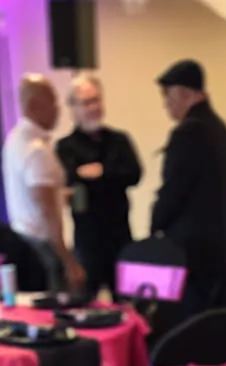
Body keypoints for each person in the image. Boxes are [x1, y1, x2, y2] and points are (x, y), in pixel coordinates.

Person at [150, 59, 226, 318]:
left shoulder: (188, 132)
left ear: (184, 93)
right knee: (210, 316)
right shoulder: (219, 128)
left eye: (168, 97)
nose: (166, 104)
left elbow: (174, 190)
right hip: (218, 241)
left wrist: (155, 225)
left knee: (188, 318)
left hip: (191, 248)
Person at [56, 74, 142, 302]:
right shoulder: (66, 148)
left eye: (95, 100)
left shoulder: (119, 140)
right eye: (85, 103)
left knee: (128, 304)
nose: (92, 108)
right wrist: (106, 176)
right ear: (73, 108)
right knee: (84, 306)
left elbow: (134, 174)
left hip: (121, 237)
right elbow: (69, 181)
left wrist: (102, 173)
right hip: (87, 241)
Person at [1, 74, 84, 293]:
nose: (58, 109)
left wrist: (60, 195)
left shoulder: (14, 140)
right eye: (52, 102)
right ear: (34, 105)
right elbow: (46, 210)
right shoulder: (37, 150)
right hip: (46, 248)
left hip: (25, 240)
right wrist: (69, 261)